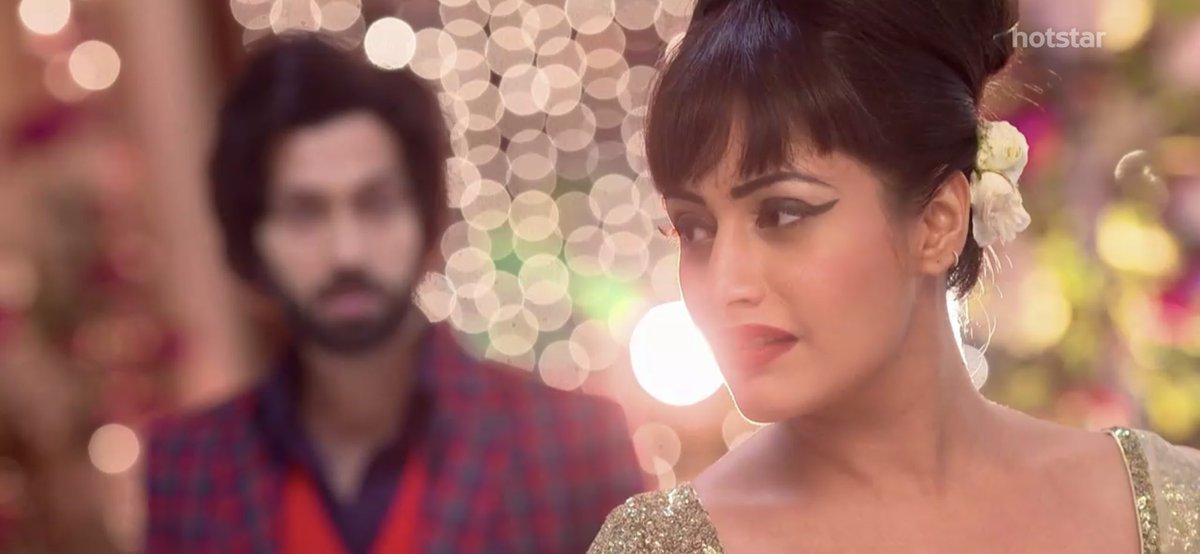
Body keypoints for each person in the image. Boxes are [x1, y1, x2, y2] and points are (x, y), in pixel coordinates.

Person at [589, 0, 1199, 552]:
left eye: (782, 214)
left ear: (938, 222)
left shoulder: (1169, 508)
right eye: (694, 229)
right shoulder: (661, 546)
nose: (725, 285)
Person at [144, 34, 643, 554]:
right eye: (304, 213)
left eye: (377, 204)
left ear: (424, 218)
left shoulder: (573, 443)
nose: (347, 252)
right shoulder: (187, 467)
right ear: (252, 239)